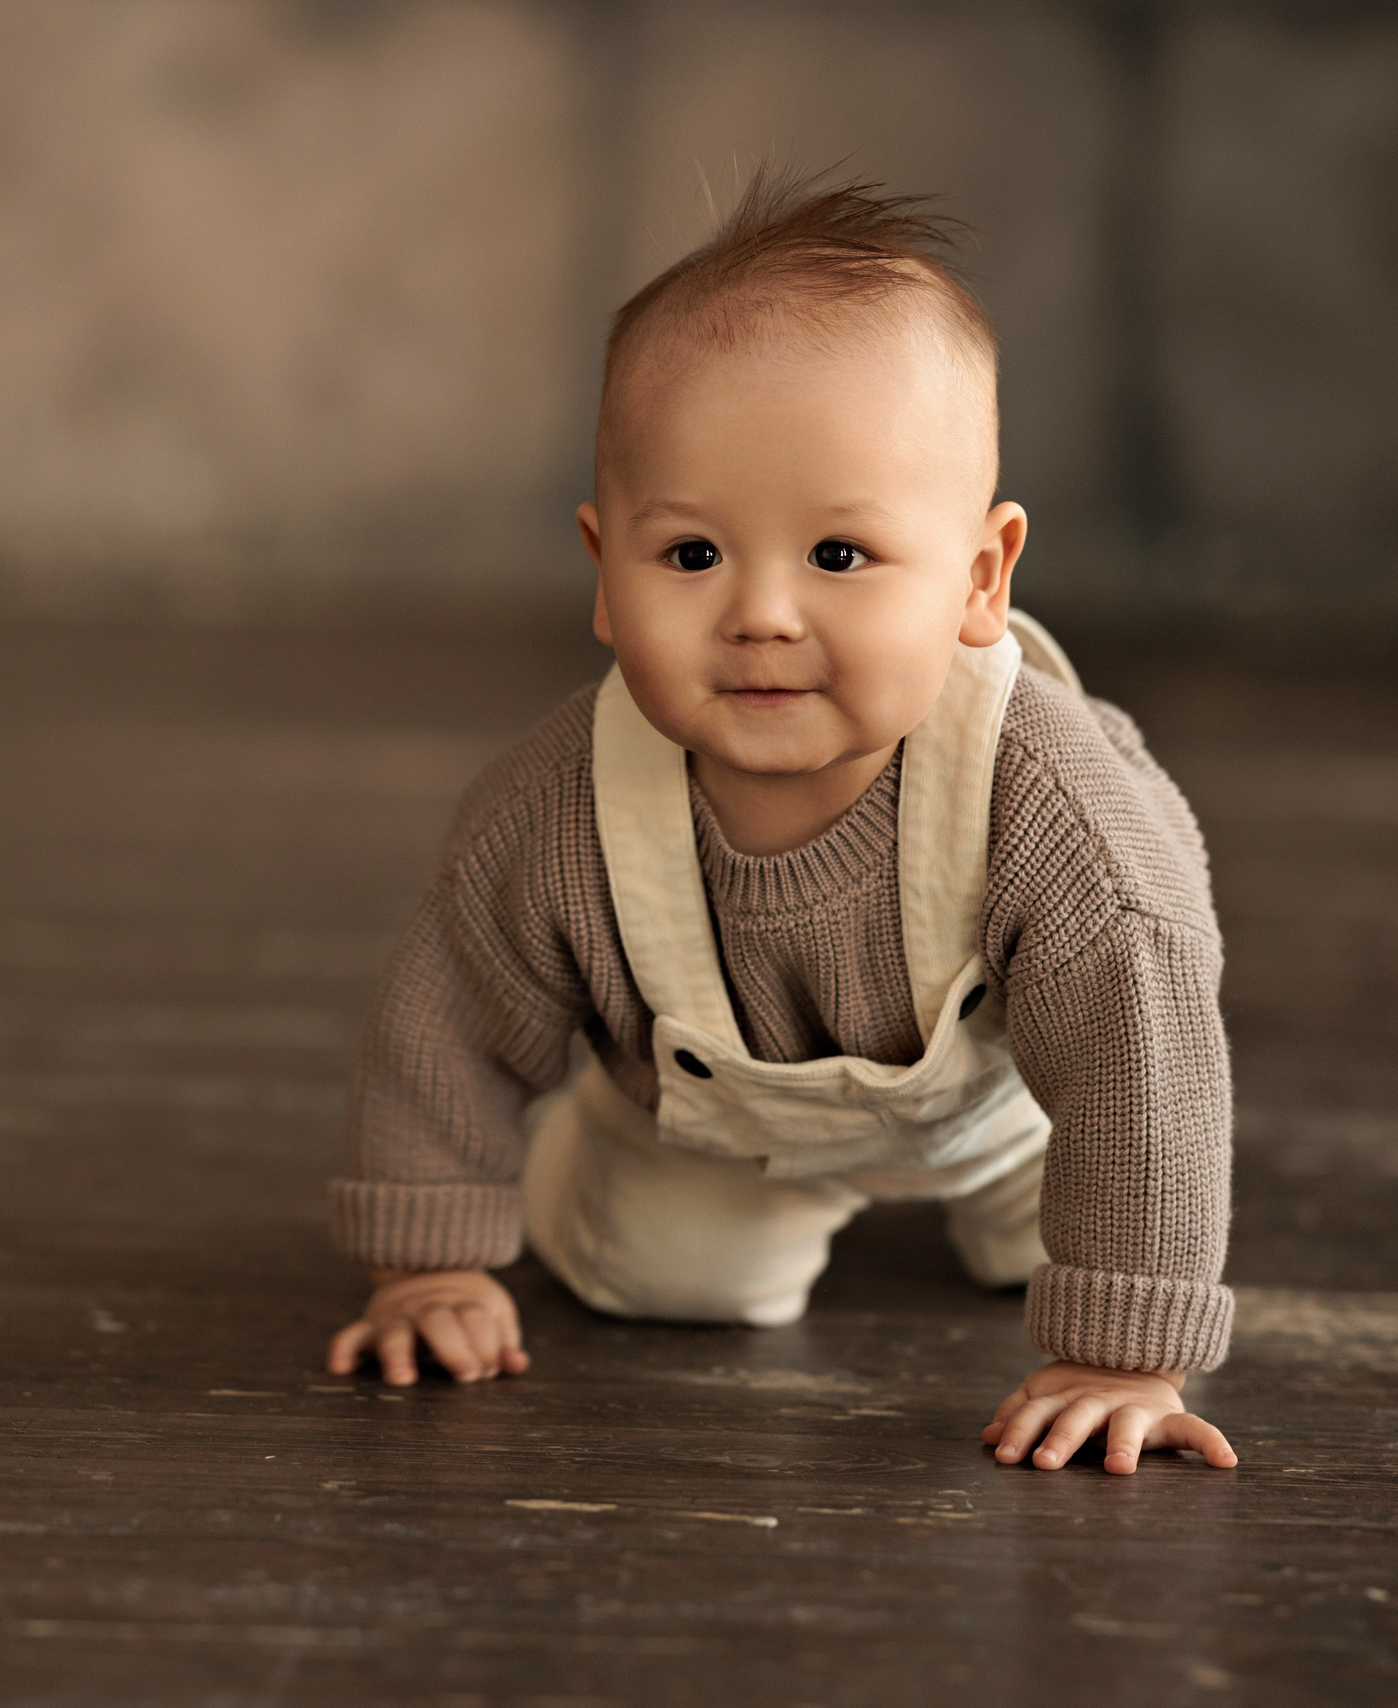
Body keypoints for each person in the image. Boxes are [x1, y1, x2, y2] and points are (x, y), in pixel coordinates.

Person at [324, 170, 1237, 1476]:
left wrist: (1126, 1353)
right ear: (602, 572)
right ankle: (595, 1164)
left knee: (1102, 1216)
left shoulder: (1054, 810)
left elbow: (1144, 1066)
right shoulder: (555, 813)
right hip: (719, 1137)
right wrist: (427, 1265)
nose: (762, 614)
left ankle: (1025, 1228)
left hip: (1018, 1102)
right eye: (690, 556)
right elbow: (444, 1023)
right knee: (670, 1285)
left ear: (981, 579)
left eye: (841, 557)